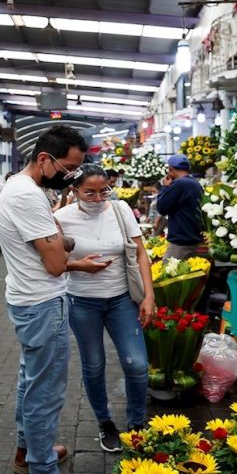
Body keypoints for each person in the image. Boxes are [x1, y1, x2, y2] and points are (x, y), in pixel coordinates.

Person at [0, 125, 91, 474]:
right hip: (42, 303)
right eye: (68, 168)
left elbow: (59, 243)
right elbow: (55, 262)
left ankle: (28, 452)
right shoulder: (26, 197)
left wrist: (59, 240)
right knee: (45, 392)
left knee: (30, 380)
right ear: (44, 159)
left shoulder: (23, 191)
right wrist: (66, 250)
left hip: (30, 300)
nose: (71, 177)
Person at [54, 164, 155, 453]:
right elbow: (52, 262)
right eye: (90, 193)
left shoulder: (120, 210)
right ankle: (105, 422)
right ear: (75, 191)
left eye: (104, 191)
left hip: (121, 299)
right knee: (94, 364)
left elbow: (140, 253)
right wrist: (78, 265)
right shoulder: (60, 218)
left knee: (136, 364)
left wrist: (149, 296)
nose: (99, 199)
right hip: (82, 301)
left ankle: (136, 423)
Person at [156, 154, 205, 260]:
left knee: (169, 272)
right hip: (192, 237)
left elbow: (161, 207)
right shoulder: (195, 183)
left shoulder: (179, 184)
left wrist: (164, 187)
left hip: (181, 242)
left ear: (170, 169)